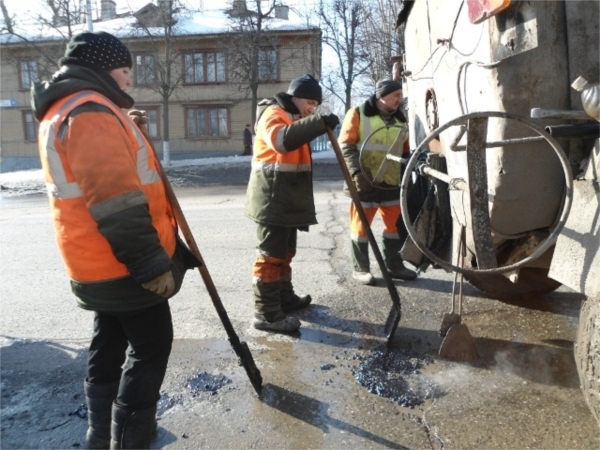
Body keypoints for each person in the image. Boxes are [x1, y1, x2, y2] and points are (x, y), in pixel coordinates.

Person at [31, 31, 198, 449]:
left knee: (108, 339)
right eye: (125, 72)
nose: (128, 82)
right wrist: (151, 263)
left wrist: (130, 130)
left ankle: (99, 435)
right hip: (122, 263)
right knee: (151, 346)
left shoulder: (71, 108)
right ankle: (132, 439)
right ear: (105, 69)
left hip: (94, 262)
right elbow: (117, 203)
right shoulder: (90, 112)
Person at [245, 73, 339, 332]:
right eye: (310, 102)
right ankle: (266, 313)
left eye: (316, 106)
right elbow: (281, 141)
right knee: (270, 256)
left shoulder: (294, 118)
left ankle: (283, 299)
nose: (312, 108)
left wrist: (313, 121)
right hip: (271, 200)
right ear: (295, 97)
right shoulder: (273, 114)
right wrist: (317, 122)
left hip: (285, 200)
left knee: (285, 253)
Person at [338, 78, 417, 286]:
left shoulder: (401, 120)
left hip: (391, 183)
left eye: (401, 95)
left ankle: (394, 266)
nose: (400, 99)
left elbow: (405, 151)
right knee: (361, 228)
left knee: (395, 227)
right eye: (396, 95)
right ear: (382, 96)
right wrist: (357, 174)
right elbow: (345, 145)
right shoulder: (358, 113)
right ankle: (361, 269)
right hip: (364, 182)